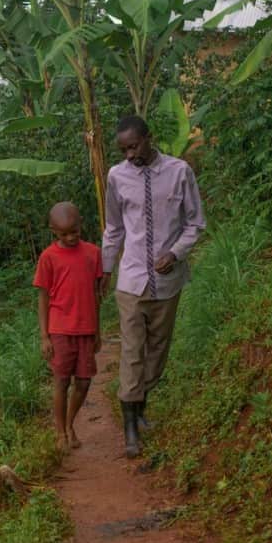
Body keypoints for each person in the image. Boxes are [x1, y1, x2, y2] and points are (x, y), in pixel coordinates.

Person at [101, 115, 205, 458]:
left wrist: (175, 253)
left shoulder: (179, 172)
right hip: (131, 280)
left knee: (158, 350)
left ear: (149, 138)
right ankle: (130, 427)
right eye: (124, 149)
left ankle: (139, 409)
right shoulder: (117, 177)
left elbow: (195, 224)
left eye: (134, 146)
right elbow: (114, 228)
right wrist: (104, 270)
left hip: (167, 281)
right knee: (132, 349)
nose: (130, 154)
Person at [33, 202, 103, 452]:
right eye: (64, 234)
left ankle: (70, 423)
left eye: (75, 231)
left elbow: (96, 295)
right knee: (62, 381)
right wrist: (44, 336)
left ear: (81, 225)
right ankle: (60, 432)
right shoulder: (48, 257)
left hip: (86, 329)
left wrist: (98, 331)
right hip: (60, 329)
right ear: (54, 232)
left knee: (84, 382)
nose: (71, 237)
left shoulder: (93, 253)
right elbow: (43, 298)